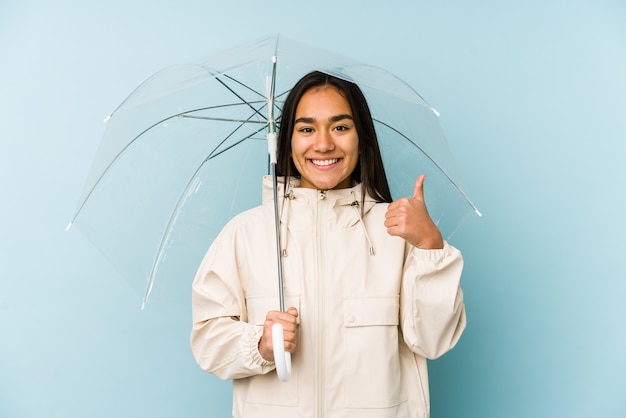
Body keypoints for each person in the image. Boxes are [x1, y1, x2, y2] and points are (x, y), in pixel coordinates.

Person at [190, 71, 466, 418]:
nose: (323, 144)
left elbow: (433, 341)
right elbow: (207, 342)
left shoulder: (399, 233)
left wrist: (430, 245)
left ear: (362, 138)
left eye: (340, 127)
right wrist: (261, 344)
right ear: (285, 143)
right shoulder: (244, 233)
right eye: (306, 129)